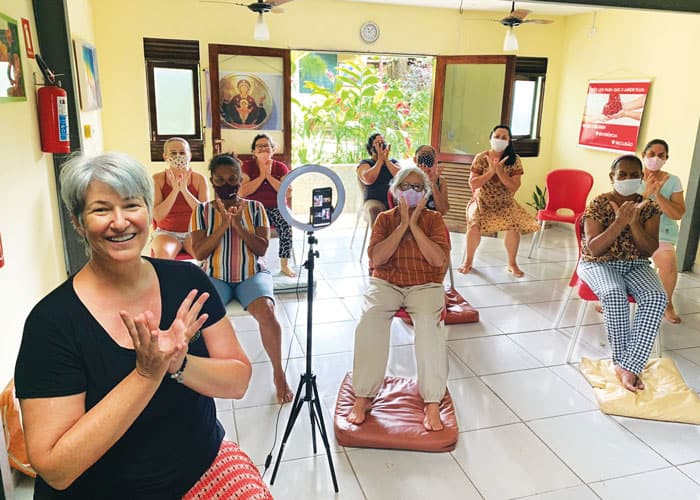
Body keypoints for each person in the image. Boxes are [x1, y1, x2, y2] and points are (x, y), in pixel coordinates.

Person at [14, 152, 271, 499]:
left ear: (149, 214)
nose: (120, 222)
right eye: (101, 209)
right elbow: (57, 470)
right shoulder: (53, 323)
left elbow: (238, 380)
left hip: (201, 467)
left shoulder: (188, 281)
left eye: (131, 205)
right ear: (78, 222)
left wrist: (179, 363)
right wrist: (147, 373)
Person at [348, 167, 450, 431]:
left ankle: (432, 402)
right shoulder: (384, 219)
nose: (412, 193)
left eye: (418, 188)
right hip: (387, 282)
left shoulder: (434, 220)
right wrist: (402, 224)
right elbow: (377, 259)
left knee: (428, 327)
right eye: (406, 187)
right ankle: (363, 396)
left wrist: (414, 226)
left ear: (426, 194)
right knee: (369, 320)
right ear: (395, 191)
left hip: (425, 284)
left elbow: (438, 259)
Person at [190, 154, 293, 404]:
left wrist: (238, 225)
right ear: (212, 180)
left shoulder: (256, 209)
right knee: (198, 318)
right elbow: (200, 252)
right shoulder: (201, 211)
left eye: (233, 179)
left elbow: (261, 249)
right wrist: (223, 226)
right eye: (221, 179)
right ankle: (205, 376)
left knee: (267, 313)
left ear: (240, 179)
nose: (227, 184)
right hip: (216, 276)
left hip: (251, 274)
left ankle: (279, 374)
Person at [579, 154, 667, 392]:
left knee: (657, 297)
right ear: (612, 177)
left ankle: (628, 366)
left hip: (635, 264)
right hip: (598, 264)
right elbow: (594, 249)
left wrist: (634, 222)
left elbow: (649, 249)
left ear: (641, 177)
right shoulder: (599, 203)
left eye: (634, 175)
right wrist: (619, 222)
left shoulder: (649, 207)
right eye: (623, 174)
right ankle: (624, 364)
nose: (628, 179)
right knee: (614, 294)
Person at [458, 124, 539, 277]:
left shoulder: (514, 160)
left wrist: (500, 172)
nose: (500, 140)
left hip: (505, 203)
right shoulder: (481, 158)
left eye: (504, 138)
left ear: (509, 141)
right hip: (481, 202)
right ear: (490, 138)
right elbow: (473, 183)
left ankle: (512, 263)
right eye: (497, 136)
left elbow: (514, 187)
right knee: (474, 226)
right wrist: (490, 172)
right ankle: (468, 261)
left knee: (514, 226)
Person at [640, 138, 686, 323]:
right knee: (617, 258)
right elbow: (628, 209)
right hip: (633, 231)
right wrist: (647, 193)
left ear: (666, 158)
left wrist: (658, 195)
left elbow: (677, 213)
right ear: (644, 155)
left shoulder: (673, 181)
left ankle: (666, 303)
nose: (655, 159)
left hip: (662, 234)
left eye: (661, 155)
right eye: (651, 154)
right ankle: (612, 298)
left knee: (668, 264)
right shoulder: (631, 176)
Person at [240, 134, 296, 277]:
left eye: (267, 145)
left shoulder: (280, 167)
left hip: (277, 207)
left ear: (273, 149)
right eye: (259, 146)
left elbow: (288, 192)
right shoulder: (247, 167)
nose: (263, 148)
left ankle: (284, 264)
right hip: (254, 208)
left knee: (286, 224)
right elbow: (242, 191)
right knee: (244, 226)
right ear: (254, 151)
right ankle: (252, 262)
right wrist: (261, 177)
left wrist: (269, 176)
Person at [151, 137, 208, 259]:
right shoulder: (157, 179)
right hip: (166, 233)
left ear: (190, 155)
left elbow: (205, 213)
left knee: (205, 256)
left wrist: (185, 190)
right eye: (173, 153)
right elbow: (158, 216)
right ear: (165, 156)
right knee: (163, 257)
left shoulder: (199, 179)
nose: (178, 156)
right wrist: (175, 190)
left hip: (194, 232)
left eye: (182, 153)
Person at [357, 132, 401, 225]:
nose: (381, 145)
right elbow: (368, 179)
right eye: (378, 143)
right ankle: (378, 239)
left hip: (395, 199)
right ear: (371, 148)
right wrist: (380, 161)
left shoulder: (393, 162)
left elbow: (401, 176)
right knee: (375, 211)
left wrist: (386, 160)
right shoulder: (366, 163)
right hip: (374, 200)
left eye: (383, 142)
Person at [414, 144, 450, 215]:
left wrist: (433, 184)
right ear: (415, 159)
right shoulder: (408, 177)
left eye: (429, 156)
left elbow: (443, 211)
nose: (426, 158)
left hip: (432, 221)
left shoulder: (440, 181)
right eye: (423, 155)